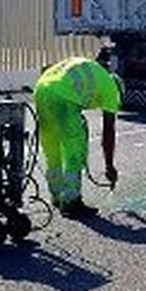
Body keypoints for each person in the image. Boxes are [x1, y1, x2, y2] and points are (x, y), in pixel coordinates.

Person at [33, 53, 121, 218]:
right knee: (73, 150)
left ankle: (57, 195)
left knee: (52, 146)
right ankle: (71, 202)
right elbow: (108, 132)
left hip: (41, 89)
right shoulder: (111, 90)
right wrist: (109, 166)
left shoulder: (95, 72)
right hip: (64, 96)